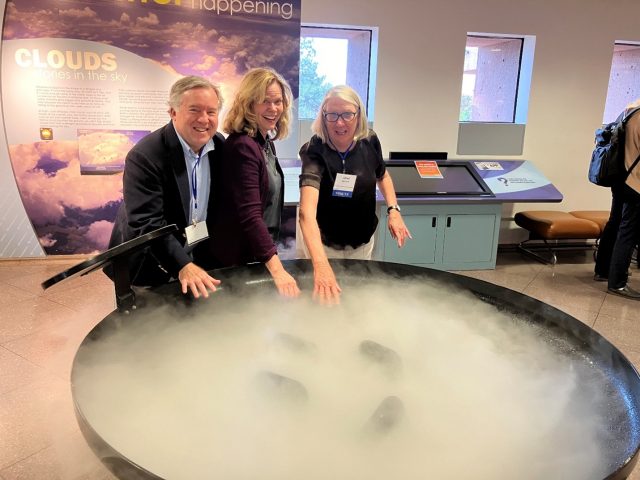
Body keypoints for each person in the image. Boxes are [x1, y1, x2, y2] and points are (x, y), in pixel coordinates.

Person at [108, 76, 224, 299]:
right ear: (173, 112)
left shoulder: (219, 146)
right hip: (149, 261)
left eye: (211, 111)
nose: (204, 119)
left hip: (195, 254)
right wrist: (182, 265)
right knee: (148, 324)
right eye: (194, 110)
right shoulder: (145, 156)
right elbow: (146, 222)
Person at [298, 85, 411, 304]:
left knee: (358, 298)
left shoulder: (369, 141)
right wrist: (321, 265)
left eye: (347, 114)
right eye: (332, 115)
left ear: (358, 115)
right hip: (325, 245)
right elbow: (306, 213)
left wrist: (393, 210)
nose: (340, 122)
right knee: (326, 299)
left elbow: (383, 176)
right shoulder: (314, 150)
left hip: (361, 242)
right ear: (323, 116)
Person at [209, 67, 300, 297]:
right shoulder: (243, 146)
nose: (273, 108)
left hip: (257, 252)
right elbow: (250, 214)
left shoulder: (264, 141)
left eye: (278, 101)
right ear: (249, 104)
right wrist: (278, 270)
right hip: (239, 258)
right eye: (264, 101)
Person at [600, 98, 640, 299]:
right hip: (636, 182)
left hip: (620, 177)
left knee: (616, 222)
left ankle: (604, 270)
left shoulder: (628, 111)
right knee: (628, 232)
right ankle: (618, 282)